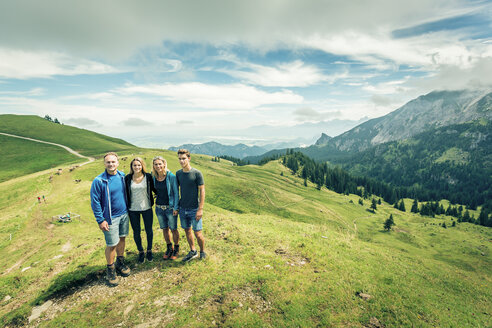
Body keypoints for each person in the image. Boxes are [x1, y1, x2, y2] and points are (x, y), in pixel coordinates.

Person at [90, 152, 131, 286]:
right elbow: (95, 201)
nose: (111, 164)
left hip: (124, 214)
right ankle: (111, 269)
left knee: (122, 238)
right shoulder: (99, 180)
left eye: (113, 162)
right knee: (112, 244)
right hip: (110, 219)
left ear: (117, 163)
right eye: (108, 162)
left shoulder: (122, 176)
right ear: (104, 164)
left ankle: (120, 262)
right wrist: (101, 220)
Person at [176, 149, 206, 262]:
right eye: (179, 159)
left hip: (194, 209)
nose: (181, 161)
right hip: (183, 208)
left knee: (198, 233)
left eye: (183, 158)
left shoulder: (197, 173)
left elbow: (202, 191)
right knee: (187, 231)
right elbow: (175, 190)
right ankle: (193, 250)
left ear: (189, 158)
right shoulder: (178, 174)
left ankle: (202, 251)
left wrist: (200, 209)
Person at [124, 157, 155, 263]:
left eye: (139, 165)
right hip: (132, 209)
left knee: (149, 230)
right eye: (134, 165)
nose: (137, 167)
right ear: (132, 167)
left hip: (147, 208)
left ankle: (149, 250)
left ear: (142, 166)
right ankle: (141, 252)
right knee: (136, 232)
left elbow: (156, 189)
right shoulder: (127, 178)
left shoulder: (148, 177)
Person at [152, 156, 180, 260]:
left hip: (170, 208)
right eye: (156, 164)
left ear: (164, 164)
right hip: (159, 208)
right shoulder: (154, 177)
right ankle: (169, 247)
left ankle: (176, 248)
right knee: (164, 228)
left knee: (173, 229)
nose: (158, 166)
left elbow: (176, 193)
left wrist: (176, 208)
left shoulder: (171, 176)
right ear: (153, 166)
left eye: (160, 164)